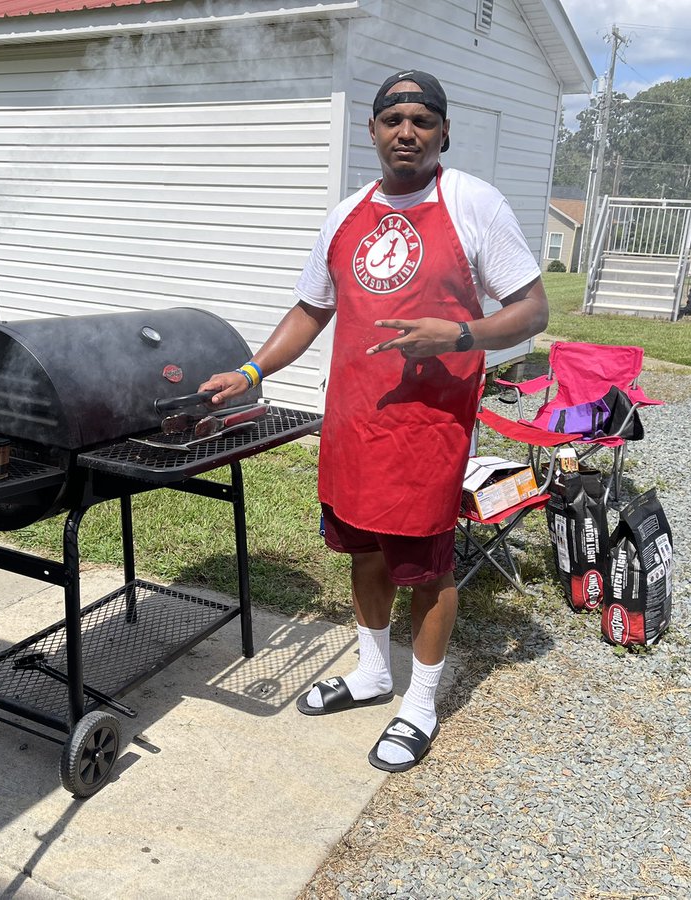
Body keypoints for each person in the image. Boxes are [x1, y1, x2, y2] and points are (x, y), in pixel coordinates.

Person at [201, 69, 549, 773]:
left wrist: (457, 337)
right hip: (355, 422)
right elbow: (310, 310)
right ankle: (372, 673)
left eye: (422, 119)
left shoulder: (475, 204)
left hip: (430, 427)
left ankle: (418, 707)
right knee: (364, 555)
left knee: (426, 569)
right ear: (373, 132)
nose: (407, 131)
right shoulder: (345, 214)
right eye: (393, 119)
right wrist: (250, 372)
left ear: (443, 130)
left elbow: (533, 309)